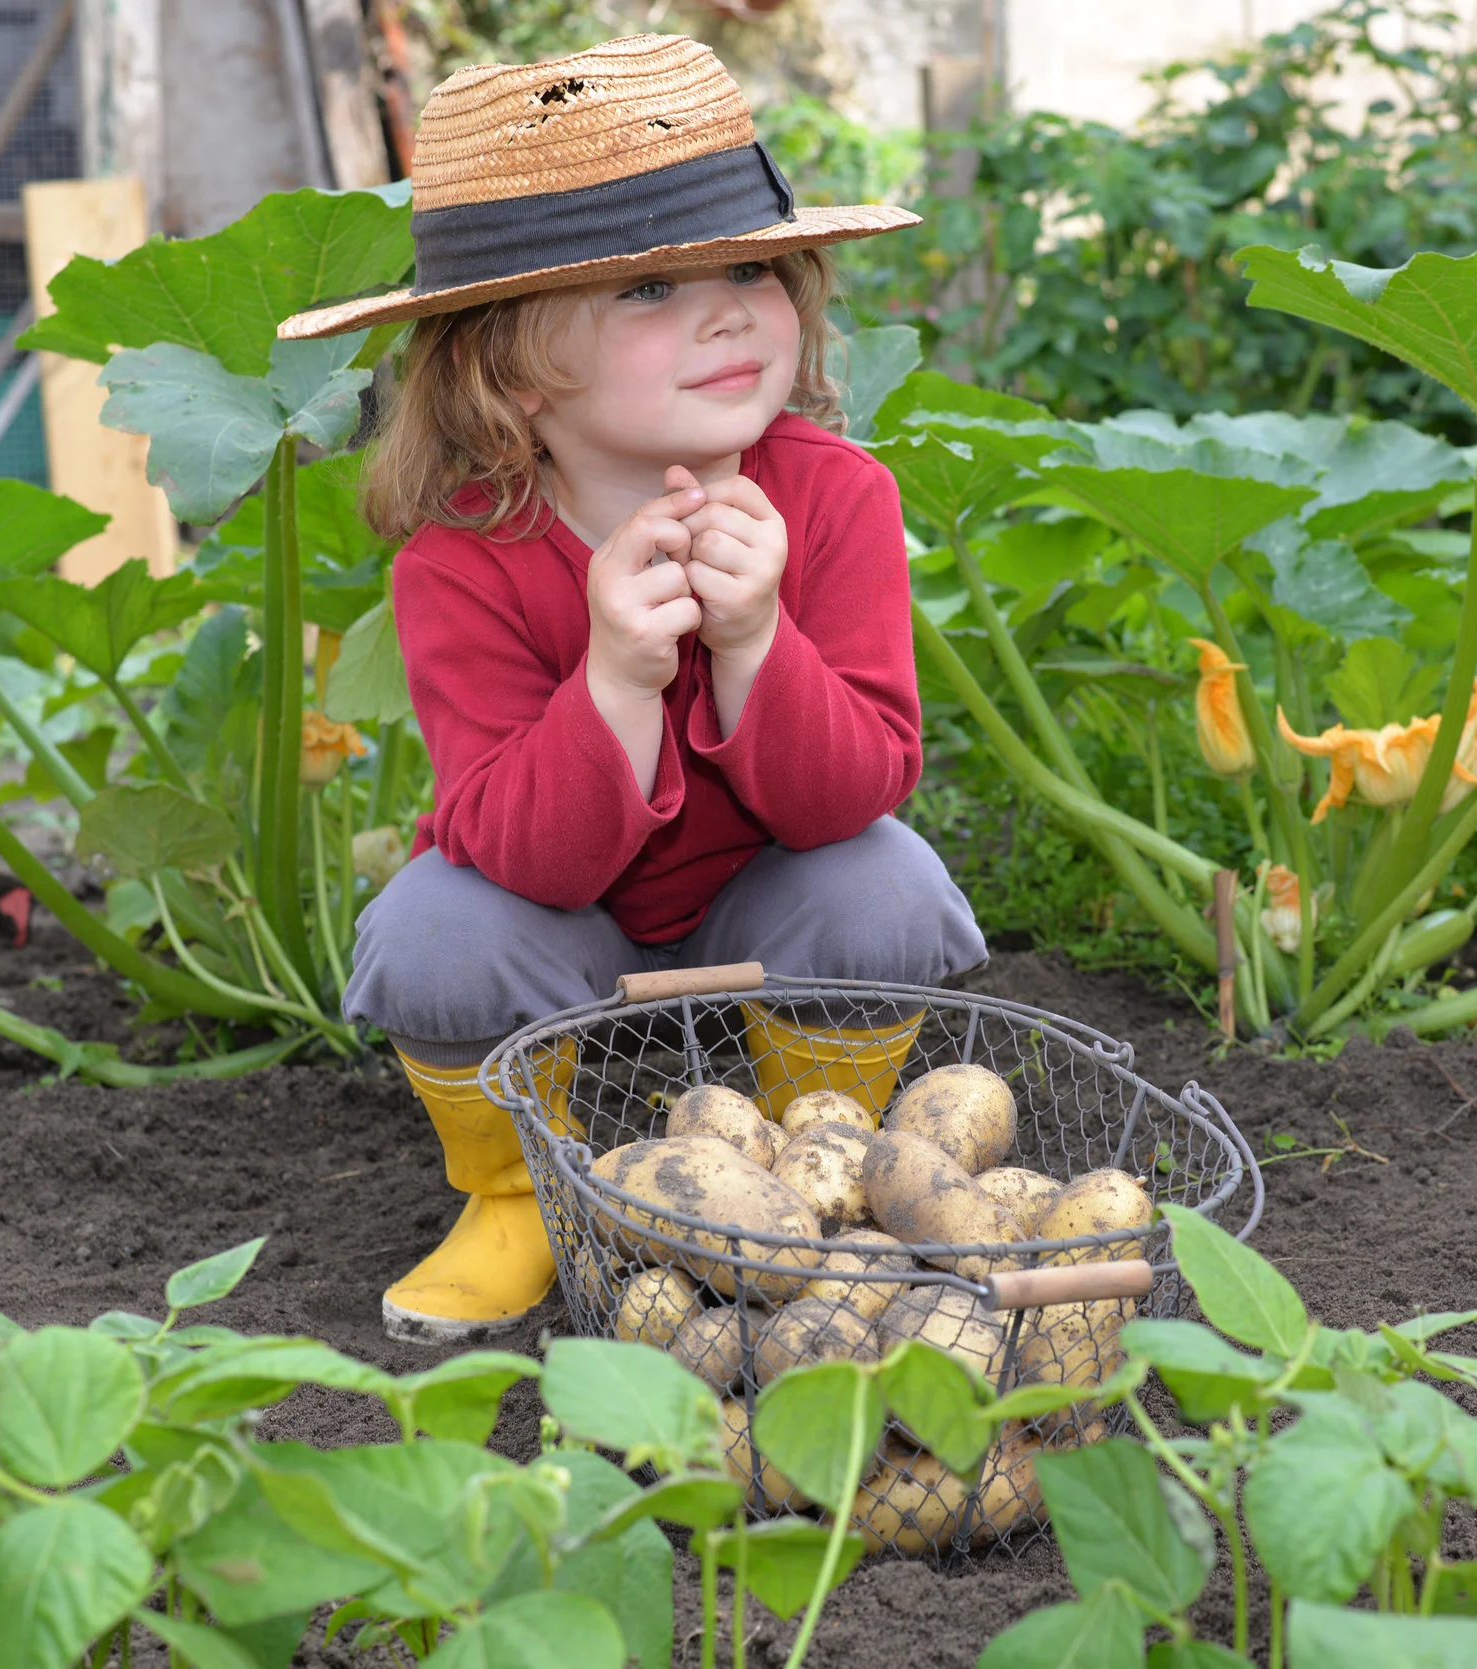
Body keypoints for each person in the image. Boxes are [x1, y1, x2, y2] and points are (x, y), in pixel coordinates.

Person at [278, 33, 986, 1345]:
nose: (727, 311)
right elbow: (521, 856)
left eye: (753, 270)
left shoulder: (836, 497)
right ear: (506, 367)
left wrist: (760, 642)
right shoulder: (463, 560)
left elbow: (857, 792)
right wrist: (614, 676)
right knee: (435, 934)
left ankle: (804, 1169)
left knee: (883, 885)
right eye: (653, 286)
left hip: (769, 894)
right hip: (562, 926)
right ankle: (512, 1198)